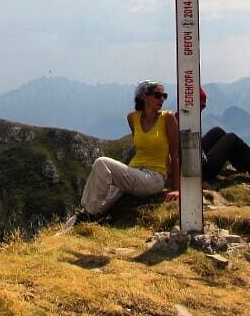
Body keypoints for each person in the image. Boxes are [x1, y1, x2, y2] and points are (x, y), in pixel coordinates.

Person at [71, 80, 180, 222]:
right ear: (145, 96)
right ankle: (86, 218)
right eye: (158, 95)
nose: (162, 99)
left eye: (164, 96)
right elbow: (143, 146)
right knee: (101, 207)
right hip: (134, 171)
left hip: (153, 178)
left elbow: (175, 154)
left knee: (102, 163)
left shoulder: (168, 118)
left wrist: (176, 189)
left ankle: (88, 213)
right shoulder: (132, 118)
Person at [199, 87, 250, 182]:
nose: (202, 109)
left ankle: (242, 166)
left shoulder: (183, 116)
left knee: (218, 132)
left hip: (195, 162)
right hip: (200, 170)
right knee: (232, 139)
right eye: (201, 106)